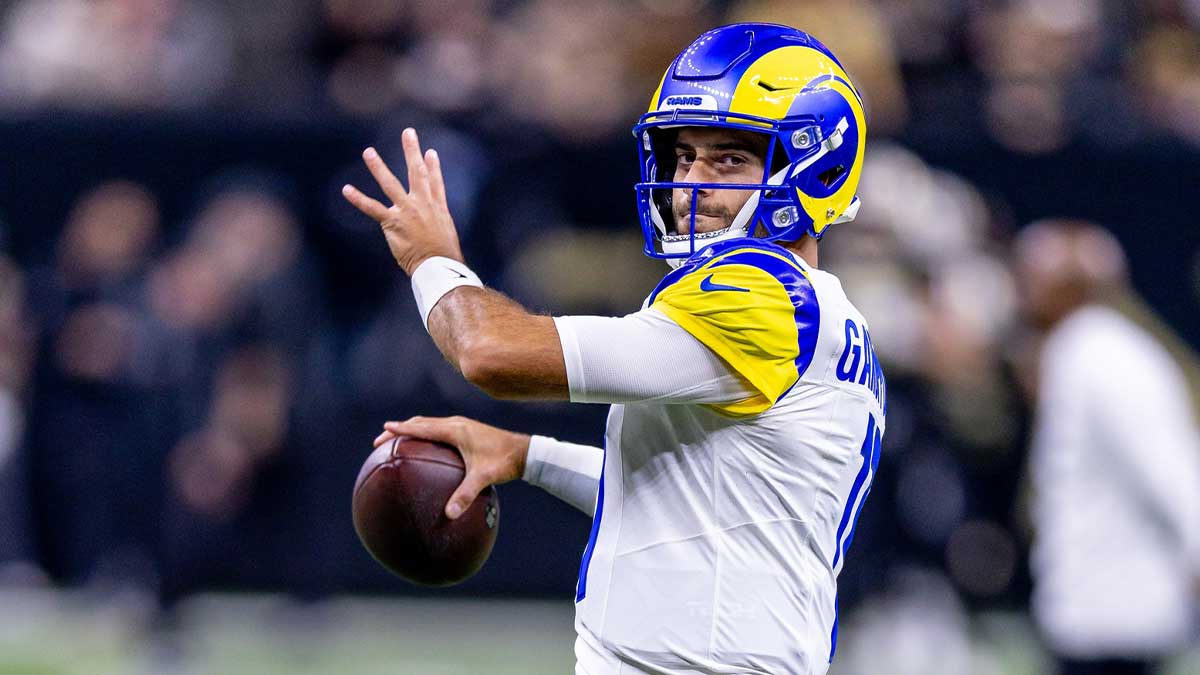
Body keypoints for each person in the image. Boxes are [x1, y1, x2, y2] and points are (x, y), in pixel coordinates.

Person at [343, 23, 885, 675]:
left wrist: (431, 260)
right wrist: (527, 455)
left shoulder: (763, 300)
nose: (692, 184)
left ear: (815, 166)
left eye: (730, 159)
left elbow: (491, 352)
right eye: (684, 157)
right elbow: (689, 510)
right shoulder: (827, 317)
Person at [1014, 219, 1200, 675]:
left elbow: (1171, 471)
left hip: (1116, 616)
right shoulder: (1085, 347)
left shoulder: (1099, 352)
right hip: (1097, 609)